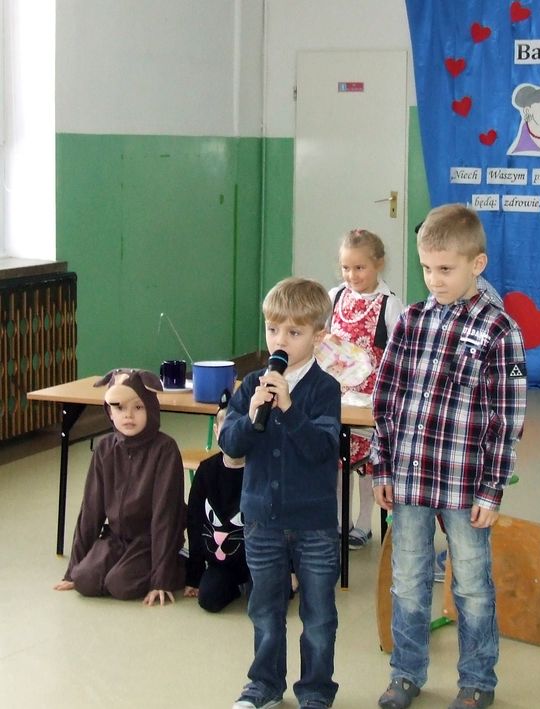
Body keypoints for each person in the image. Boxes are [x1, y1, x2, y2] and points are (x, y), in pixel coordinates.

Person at [371, 204, 527, 709]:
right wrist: (382, 463)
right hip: (410, 478)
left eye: (445, 269)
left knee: (473, 586)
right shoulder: (412, 320)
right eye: (426, 268)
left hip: (465, 485)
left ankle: (477, 681)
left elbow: (506, 419)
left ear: (476, 264)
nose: (434, 280)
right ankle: (406, 673)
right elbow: (387, 397)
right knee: (408, 580)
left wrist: (492, 489)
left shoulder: (499, 330)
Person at [218, 276, 342, 709]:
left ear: (318, 336)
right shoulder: (253, 384)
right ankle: (264, 684)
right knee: (265, 609)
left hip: (314, 523)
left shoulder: (325, 389)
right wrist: (251, 413)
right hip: (262, 520)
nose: (280, 341)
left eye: (294, 332)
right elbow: (231, 446)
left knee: (319, 615)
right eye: (273, 330)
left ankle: (316, 690)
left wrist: (288, 409)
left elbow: (322, 449)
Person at [54, 369, 186, 606]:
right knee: (84, 580)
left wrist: (161, 580)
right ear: (109, 412)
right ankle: (117, 565)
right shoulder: (105, 448)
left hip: (150, 540)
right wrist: (72, 569)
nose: (128, 415)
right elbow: (91, 510)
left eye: (138, 407)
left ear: (151, 408)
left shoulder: (165, 449)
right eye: (119, 408)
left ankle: (175, 566)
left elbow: (165, 516)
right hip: (116, 537)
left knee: (120, 585)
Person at [326, 228, 403, 549]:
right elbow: (323, 338)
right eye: (346, 267)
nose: (352, 275)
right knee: (337, 462)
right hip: (337, 397)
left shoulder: (390, 305)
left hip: (371, 401)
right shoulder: (335, 297)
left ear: (379, 264)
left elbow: (400, 353)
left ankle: (363, 524)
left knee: (368, 464)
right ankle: (339, 522)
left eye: (360, 267)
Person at [184, 393, 250, 612]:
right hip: (222, 563)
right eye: (225, 425)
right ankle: (237, 586)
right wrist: (194, 575)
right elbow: (195, 523)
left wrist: (290, 569)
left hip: (259, 560)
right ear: (216, 431)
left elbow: (283, 523)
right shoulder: (206, 471)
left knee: (269, 601)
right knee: (209, 599)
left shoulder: (262, 470)